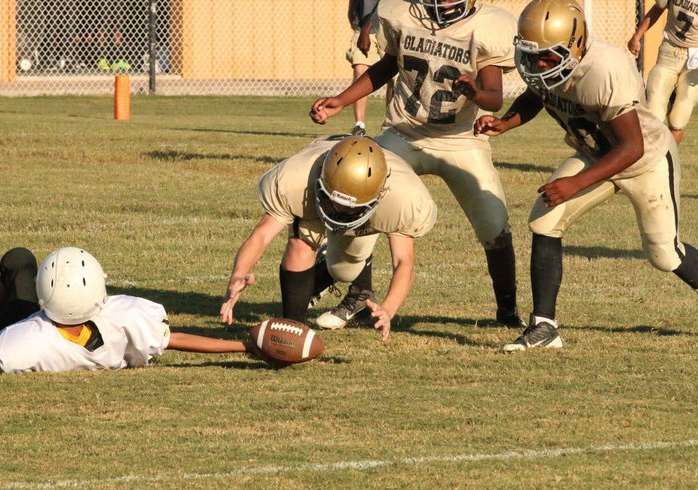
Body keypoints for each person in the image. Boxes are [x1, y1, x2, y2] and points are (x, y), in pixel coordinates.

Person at [473, 0, 698, 352]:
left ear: (576, 46)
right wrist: (505, 122)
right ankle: (545, 327)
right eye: (533, 56)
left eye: (548, 56)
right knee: (544, 221)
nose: (539, 64)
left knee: (663, 254)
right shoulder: (546, 63)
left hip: (644, 160)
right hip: (595, 153)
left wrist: (576, 183)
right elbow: (537, 92)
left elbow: (631, 146)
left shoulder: (604, 68)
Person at [311, 0, 526, 329]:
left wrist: (475, 93)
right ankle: (357, 294)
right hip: (405, 132)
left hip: (461, 140)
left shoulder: (487, 26)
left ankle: (508, 312)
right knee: (356, 195)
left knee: (494, 227)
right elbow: (387, 66)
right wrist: (342, 100)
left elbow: (495, 97)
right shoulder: (401, 14)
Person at [221, 135, 437, 340]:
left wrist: (388, 308)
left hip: (363, 222)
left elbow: (403, 261)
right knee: (300, 244)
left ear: (380, 193)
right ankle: (293, 328)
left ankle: (334, 272)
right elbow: (261, 234)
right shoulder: (296, 177)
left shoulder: (404, 198)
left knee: (344, 270)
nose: (340, 211)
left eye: (350, 208)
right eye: (336, 202)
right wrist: (238, 275)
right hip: (316, 201)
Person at [0, 247, 252, 372]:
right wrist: (244, 346)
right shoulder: (120, 316)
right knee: (18, 258)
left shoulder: (26, 342)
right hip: (27, 326)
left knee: (18, 261)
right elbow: (178, 339)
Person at [627, 0, 698, 144]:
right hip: (669, 50)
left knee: (678, 118)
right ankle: (650, 158)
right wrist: (637, 36)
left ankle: (668, 159)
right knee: (654, 111)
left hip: (697, 57)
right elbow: (657, 9)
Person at [347, 0, 393, 136]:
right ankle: (359, 125)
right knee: (360, 70)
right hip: (362, 26)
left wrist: (366, 29)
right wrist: (352, 13)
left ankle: (390, 125)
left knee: (395, 78)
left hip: (388, 28)